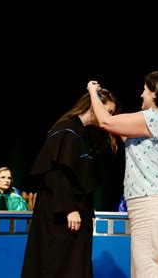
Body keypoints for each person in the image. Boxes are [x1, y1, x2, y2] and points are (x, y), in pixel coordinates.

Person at [87, 70, 158, 278]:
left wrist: (92, 92)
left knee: (149, 269)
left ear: (155, 95)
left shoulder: (152, 118)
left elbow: (106, 122)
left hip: (152, 199)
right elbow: (125, 136)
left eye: (145, 90)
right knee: (145, 268)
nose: (141, 95)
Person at [21, 88, 118, 278]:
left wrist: (88, 212)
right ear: (94, 105)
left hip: (76, 212)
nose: (110, 117)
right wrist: (69, 208)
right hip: (59, 212)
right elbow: (55, 173)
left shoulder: (86, 135)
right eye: (109, 111)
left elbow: (85, 180)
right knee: (57, 264)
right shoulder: (66, 129)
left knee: (75, 265)